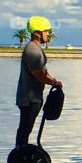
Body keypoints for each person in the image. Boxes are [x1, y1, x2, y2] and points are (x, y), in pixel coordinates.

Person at [15, 16, 63, 147]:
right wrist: (52, 83)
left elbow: (43, 71)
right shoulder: (32, 50)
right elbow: (37, 74)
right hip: (28, 99)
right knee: (25, 129)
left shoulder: (37, 49)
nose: (48, 34)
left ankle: (22, 152)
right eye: (46, 31)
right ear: (37, 33)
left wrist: (54, 80)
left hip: (34, 97)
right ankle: (20, 154)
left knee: (26, 129)